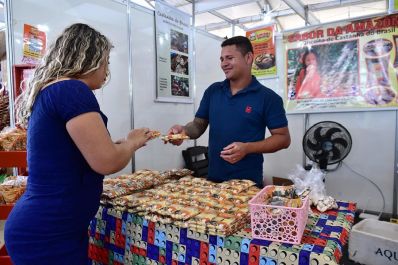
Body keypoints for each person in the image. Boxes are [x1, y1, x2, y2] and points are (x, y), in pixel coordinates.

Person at [5, 23, 152, 265]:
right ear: (89, 58)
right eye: (105, 61)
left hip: (53, 228)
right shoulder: (73, 90)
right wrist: (131, 142)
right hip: (48, 234)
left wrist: (117, 145)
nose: (107, 69)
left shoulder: (56, 90)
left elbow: (72, 153)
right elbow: (106, 161)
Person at [168, 36, 290, 187]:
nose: (224, 64)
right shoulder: (213, 91)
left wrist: (247, 148)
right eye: (221, 59)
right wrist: (183, 131)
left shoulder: (268, 98)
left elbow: (283, 139)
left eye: (229, 58)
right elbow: (198, 125)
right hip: (214, 181)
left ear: (248, 58)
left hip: (247, 184)